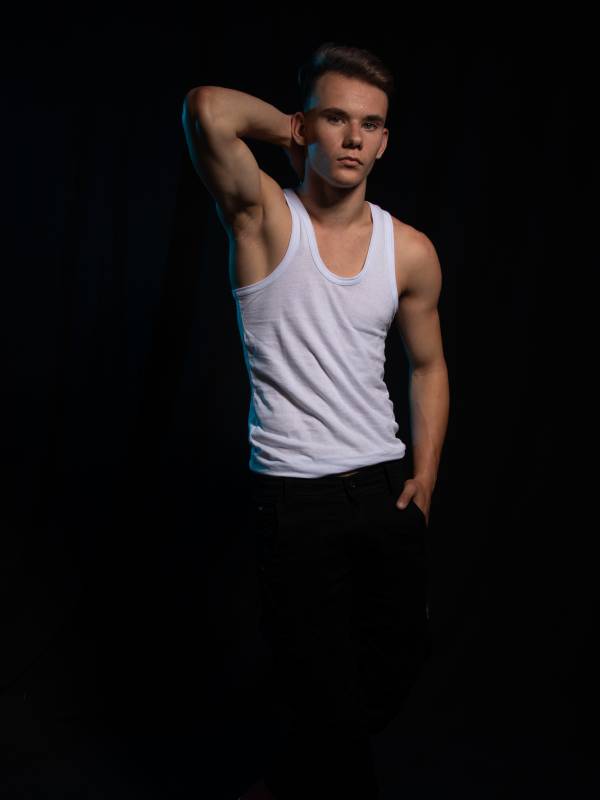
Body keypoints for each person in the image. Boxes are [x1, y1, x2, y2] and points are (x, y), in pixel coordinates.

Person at [182, 41, 449, 800]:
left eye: (371, 124)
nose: (354, 138)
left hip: (385, 489)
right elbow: (207, 109)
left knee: (398, 660)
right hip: (296, 498)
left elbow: (428, 367)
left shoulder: (409, 251)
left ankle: (289, 779)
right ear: (304, 126)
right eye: (336, 118)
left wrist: (426, 477)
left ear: (386, 140)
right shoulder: (264, 220)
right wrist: (294, 129)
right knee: (328, 697)